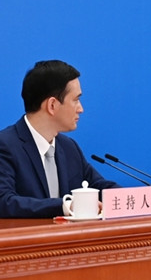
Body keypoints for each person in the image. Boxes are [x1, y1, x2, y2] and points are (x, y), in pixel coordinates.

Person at [0, 60, 118, 218]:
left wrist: (132, 198)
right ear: (52, 105)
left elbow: (98, 186)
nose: (81, 109)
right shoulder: (5, 146)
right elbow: (4, 202)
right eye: (75, 100)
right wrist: (66, 205)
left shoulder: (69, 147)